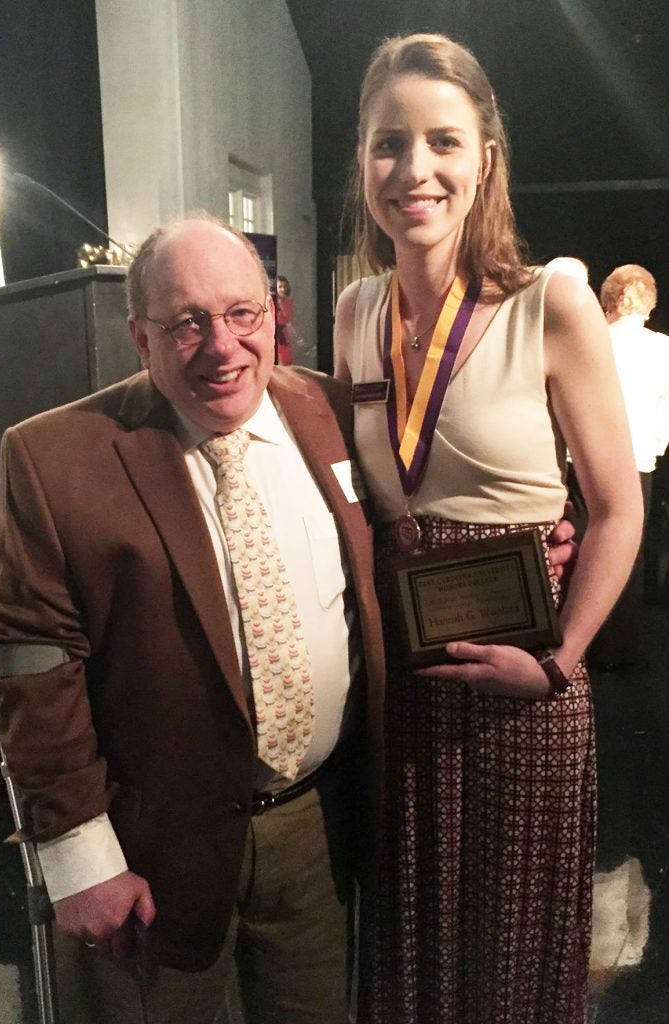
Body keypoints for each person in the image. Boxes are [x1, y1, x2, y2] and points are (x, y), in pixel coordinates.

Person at [0, 214, 386, 1024]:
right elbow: (33, 664)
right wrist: (76, 857)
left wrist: (546, 549)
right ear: (139, 335)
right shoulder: (55, 458)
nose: (222, 345)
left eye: (241, 313)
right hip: (146, 845)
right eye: (186, 322)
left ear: (275, 311)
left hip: (316, 829)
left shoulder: (335, 414)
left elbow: (407, 550)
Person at [334, 32, 643, 1024]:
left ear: (484, 161)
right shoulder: (351, 313)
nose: (413, 170)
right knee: (411, 951)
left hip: (524, 691)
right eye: (388, 144)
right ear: (361, 161)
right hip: (405, 691)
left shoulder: (548, 302)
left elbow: (616, 507)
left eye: (441, 141)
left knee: (508, 962)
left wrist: (558, 658)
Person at [589, 264, 669, 667]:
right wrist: (652, 453)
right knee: (628, 552)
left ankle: (580, 644)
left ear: (608, 300)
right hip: (637, 461)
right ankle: (621, 648)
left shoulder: (591, 341)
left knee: (584, 546)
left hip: (583, 459)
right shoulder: (664, 349)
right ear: (649, 303)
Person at [275, 274, 296, 365]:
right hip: (275, 336)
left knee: (286, 360)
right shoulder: (271, 302)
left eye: (284, 287)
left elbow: (287, 318)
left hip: (284, 336)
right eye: (280, 287)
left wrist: (281, 304)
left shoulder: (288, 303)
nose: (282, 289)